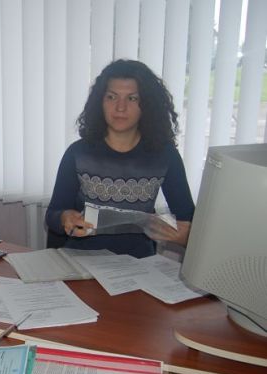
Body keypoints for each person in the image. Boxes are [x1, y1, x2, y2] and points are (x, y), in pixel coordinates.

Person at [45, 59, 195, 258]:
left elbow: (189, 220)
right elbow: (53, 214)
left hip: (139, 263)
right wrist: (65, 217)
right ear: (100, 102)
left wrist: (185, 236)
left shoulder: (165, 156)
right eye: (111, 97)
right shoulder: (78, 153)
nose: (120, 107)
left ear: (147, 104)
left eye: (132, 98)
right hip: (82, 261)